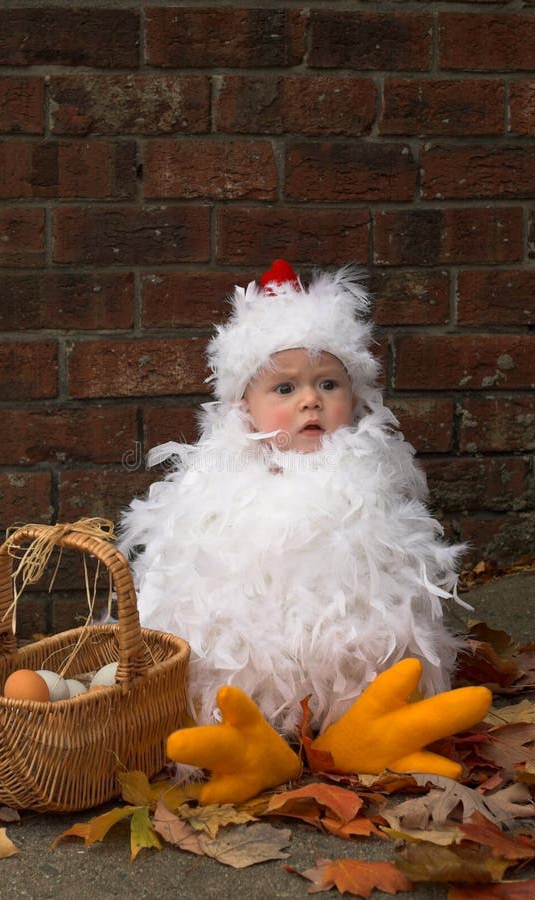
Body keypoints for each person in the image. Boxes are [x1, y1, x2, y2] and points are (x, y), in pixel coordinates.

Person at [117, 260, 491, 803]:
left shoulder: (367, 478)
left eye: (328, 383)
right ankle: (252, 734)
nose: (310, 400)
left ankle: (356, 725)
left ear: (356, 398)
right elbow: (179, 583)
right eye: (285, 387)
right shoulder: (216, 485)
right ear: (244, 408)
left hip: (346, 657)